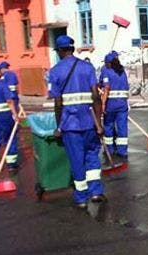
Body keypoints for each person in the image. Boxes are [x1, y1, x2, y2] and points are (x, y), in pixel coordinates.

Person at [49, 35, 105, 209]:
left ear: (60, 51)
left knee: (76, 160)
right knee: (92, 157)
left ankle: (81, 197)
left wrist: (58, 127)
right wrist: (99, 122)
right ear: (72, 49)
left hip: (70, 124)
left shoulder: (55, 71)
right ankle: (96, 192)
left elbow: (58, 102)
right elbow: (96, 96)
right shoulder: (87, 68)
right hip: (89, 122)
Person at [100, 51, 129, 161]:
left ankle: (110, 149)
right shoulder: (122, 71)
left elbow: (106, 88)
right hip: (122, 104)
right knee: (122, 127)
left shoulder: (106, 71)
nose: (105, 64)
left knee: (108, 126)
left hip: (110, 104)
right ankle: (122, 150)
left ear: (109, 62)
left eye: (106, 62)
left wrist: (102, 104)